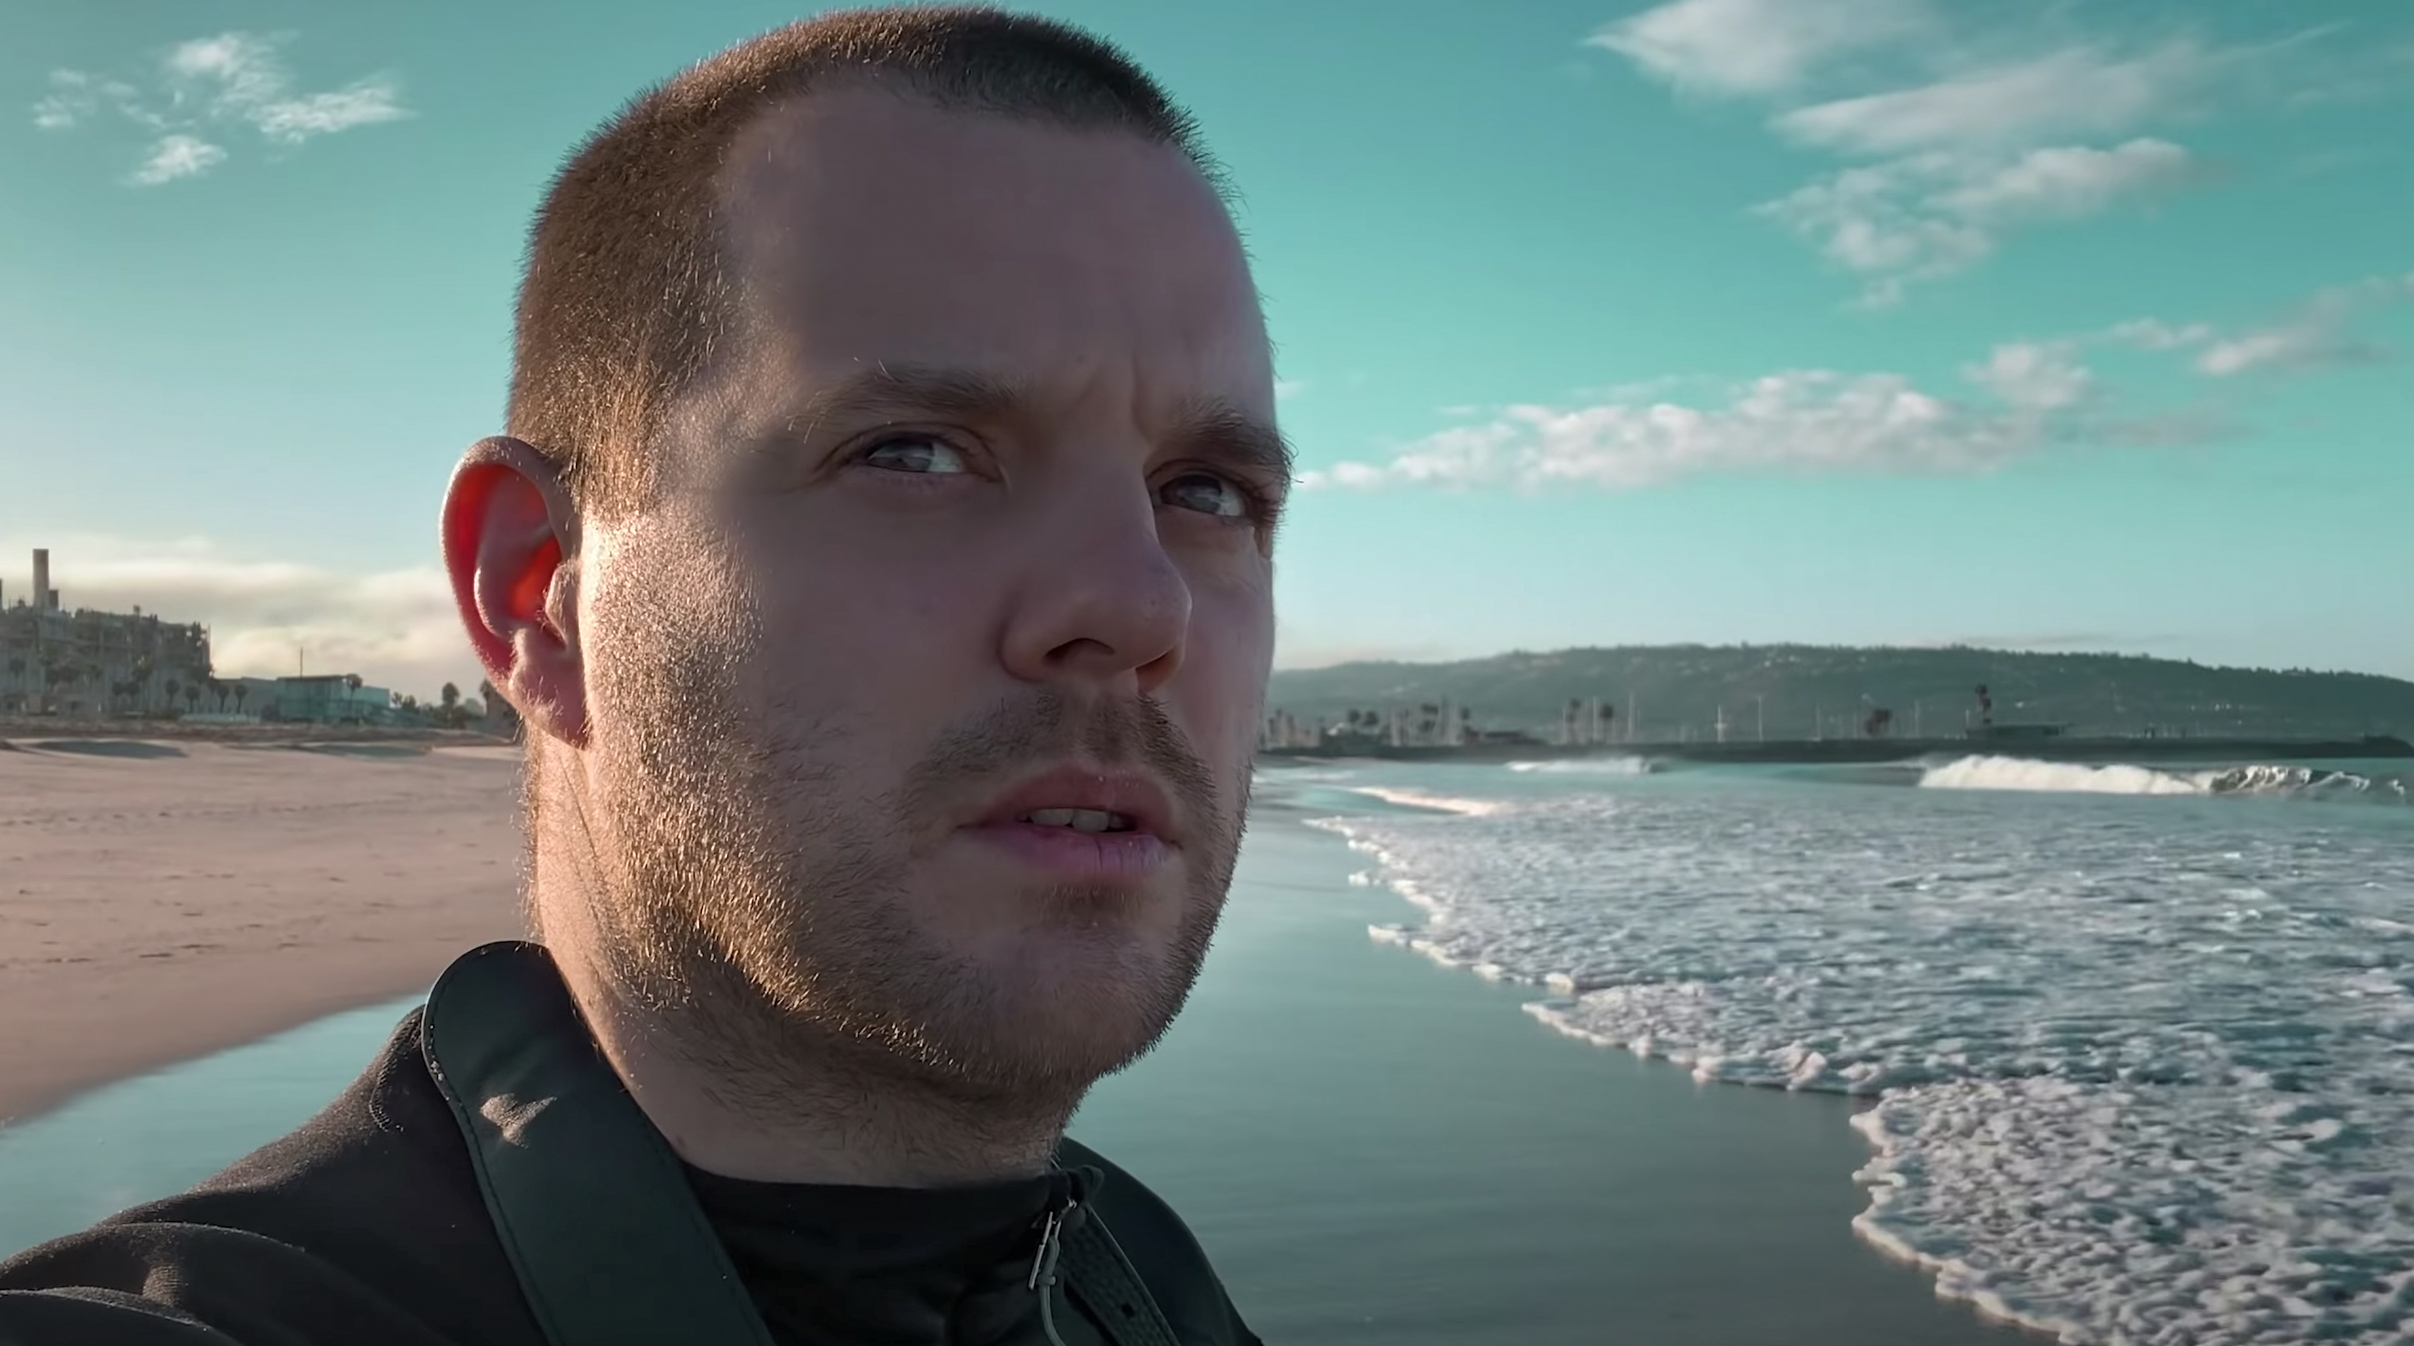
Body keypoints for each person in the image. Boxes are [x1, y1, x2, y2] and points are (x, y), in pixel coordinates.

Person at [0, 5, 1289, 1343]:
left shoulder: (1142, 1277)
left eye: (1206, 490)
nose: (1142, 607)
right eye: (913, 453)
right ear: (541, 598)